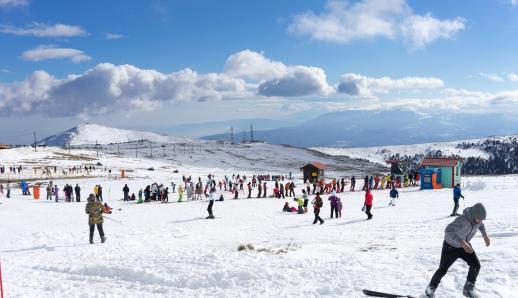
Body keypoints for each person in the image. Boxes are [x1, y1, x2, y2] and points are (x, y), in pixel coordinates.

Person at [425, 203, 490, 298]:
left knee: (476, 265)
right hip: (450, 247)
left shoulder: (477, 221)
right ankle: (430, 289)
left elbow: (481, 226)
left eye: (481, 220)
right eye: (479, 219)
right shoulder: (462, 220)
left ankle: (468, 290)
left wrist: (485, 236)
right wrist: (462, 243)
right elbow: (448, 231)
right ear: (474, 216)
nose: (480, 221)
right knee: (442, 270)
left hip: (465, 246)